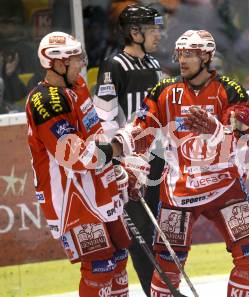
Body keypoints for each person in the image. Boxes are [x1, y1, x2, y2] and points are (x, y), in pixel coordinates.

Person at [111, 29, 249, 297]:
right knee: (167, 265)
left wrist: (216, 129)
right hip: (180, 190)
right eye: (180, 53)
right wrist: (115, 150)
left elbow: (242, 133)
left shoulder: (230, 89)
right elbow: (142, 127)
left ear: (207, 57)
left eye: (191, 54)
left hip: (224, 186)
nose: (183, 60)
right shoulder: (164, 90)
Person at [25, 31, 132, 296]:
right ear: (58, 63)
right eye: (75, 59)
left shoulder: (78, 86)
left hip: (97, 188)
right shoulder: (45, 102)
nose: (81, 63)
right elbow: (74, 156)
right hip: (72, 199)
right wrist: (118, 148)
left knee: (118, 257)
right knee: (100, 266)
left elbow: (93, 133)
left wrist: (115, 167)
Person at [92, 4, 165, 295]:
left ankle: (161, 287)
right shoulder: (114, 66)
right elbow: (105, 118)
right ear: (135, 32)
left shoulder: (154, 65)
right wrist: (118, 161)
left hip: (157, 159)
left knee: (160, 228)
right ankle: (152, 289)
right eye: (152, 28)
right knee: (142, 233)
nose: (158, 34)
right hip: (130, 163)